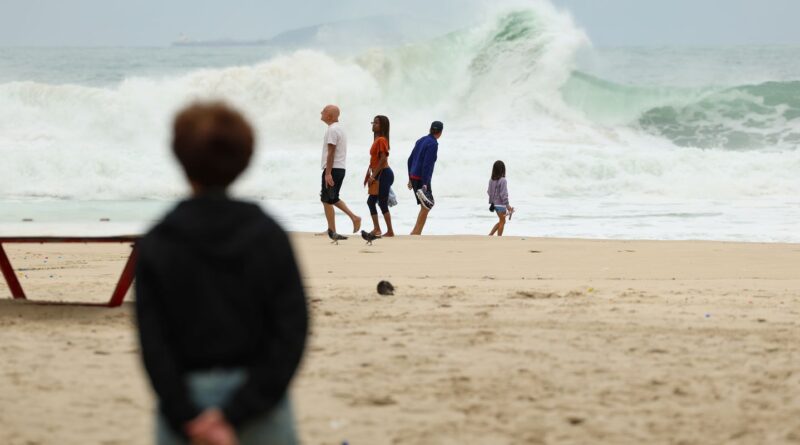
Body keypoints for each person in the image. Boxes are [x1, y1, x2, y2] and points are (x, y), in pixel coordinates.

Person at [135, 102, 308, 445]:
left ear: (180, 159)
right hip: (261, 403)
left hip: (185, 401)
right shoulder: (268, 234)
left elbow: (153, 342)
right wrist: (238, 412)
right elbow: (291, 331)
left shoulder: (160, 239)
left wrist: (188, 415)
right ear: (244, 159)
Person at [319, 104, 361, 241]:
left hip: (333, 168)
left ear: (330, 115)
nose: (321, 112)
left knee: (329, 199)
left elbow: (331, 152)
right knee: (328, 198)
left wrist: (328, 173)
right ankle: (335, 227)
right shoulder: (338, 129)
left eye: (324, 111)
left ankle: (346, 222)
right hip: (339, 168)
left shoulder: (332, 130)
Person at [407, 120, 443, 235]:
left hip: (414, 176)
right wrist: (425, 183)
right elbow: (427, 165)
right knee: (427, 205)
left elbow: (410, 160)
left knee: (425, 205)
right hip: (421, 178)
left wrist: (410, 178)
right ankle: (416, 233)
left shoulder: (421, 140)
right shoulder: (433, 144)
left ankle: (416, 232)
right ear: (440, 132)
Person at [363, 115, 395, 238]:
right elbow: (376, 160)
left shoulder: (381, 139)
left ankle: (390, 231)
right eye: (373, 122)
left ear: (382, 126)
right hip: (380, 173)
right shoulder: (378, 140)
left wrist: (373, 176)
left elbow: (383, 159)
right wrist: (370, 174)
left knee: (381, 203)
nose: (373, 125)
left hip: (384, 174)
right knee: (371, 202)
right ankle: (377, 229)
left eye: (376, 123)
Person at [488, 160, 515, 236]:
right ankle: (499, 238)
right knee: (502, 221)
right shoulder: (503, 180)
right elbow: (503, 194)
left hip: (495, 205)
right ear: (503, 169)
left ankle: (490, 235)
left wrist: (492, 201)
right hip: (501, 205)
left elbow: (489, 192)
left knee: (501, 220)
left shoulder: (491, 180)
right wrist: (507, 205)